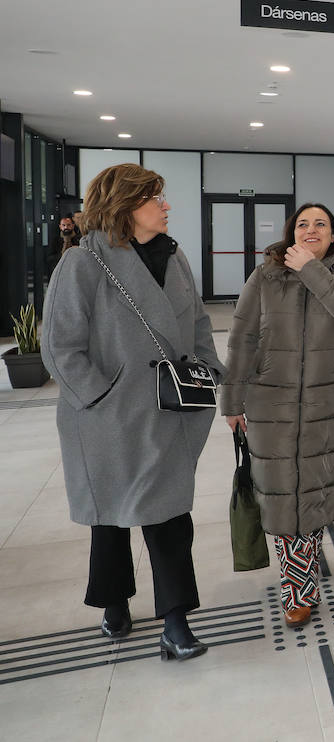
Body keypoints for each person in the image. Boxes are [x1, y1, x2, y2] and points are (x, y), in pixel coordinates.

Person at [41, 163, 223, 661]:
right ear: (124, 205)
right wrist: (103, 397)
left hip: (170, 407)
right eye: (155, 199)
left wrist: (208, 369)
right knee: (113, 517)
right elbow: (59, 347)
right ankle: (114, 602)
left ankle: (176, 621)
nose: (166, 206)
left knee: (169, 516)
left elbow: (199, 321)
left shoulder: (174, 256)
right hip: (109, 416)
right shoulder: (82, 262)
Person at [221, 202, 334, 628]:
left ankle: (301, 573)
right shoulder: (265, 275)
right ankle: (299, 589)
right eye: (302, 224)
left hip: (327, 403)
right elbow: (242, 337)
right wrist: (232, 401)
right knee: (285, 493)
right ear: (291, 232)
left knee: (315, 491)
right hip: (271, 402)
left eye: (320, 224)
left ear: (332, 233)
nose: (310, 229)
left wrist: (311, 270)